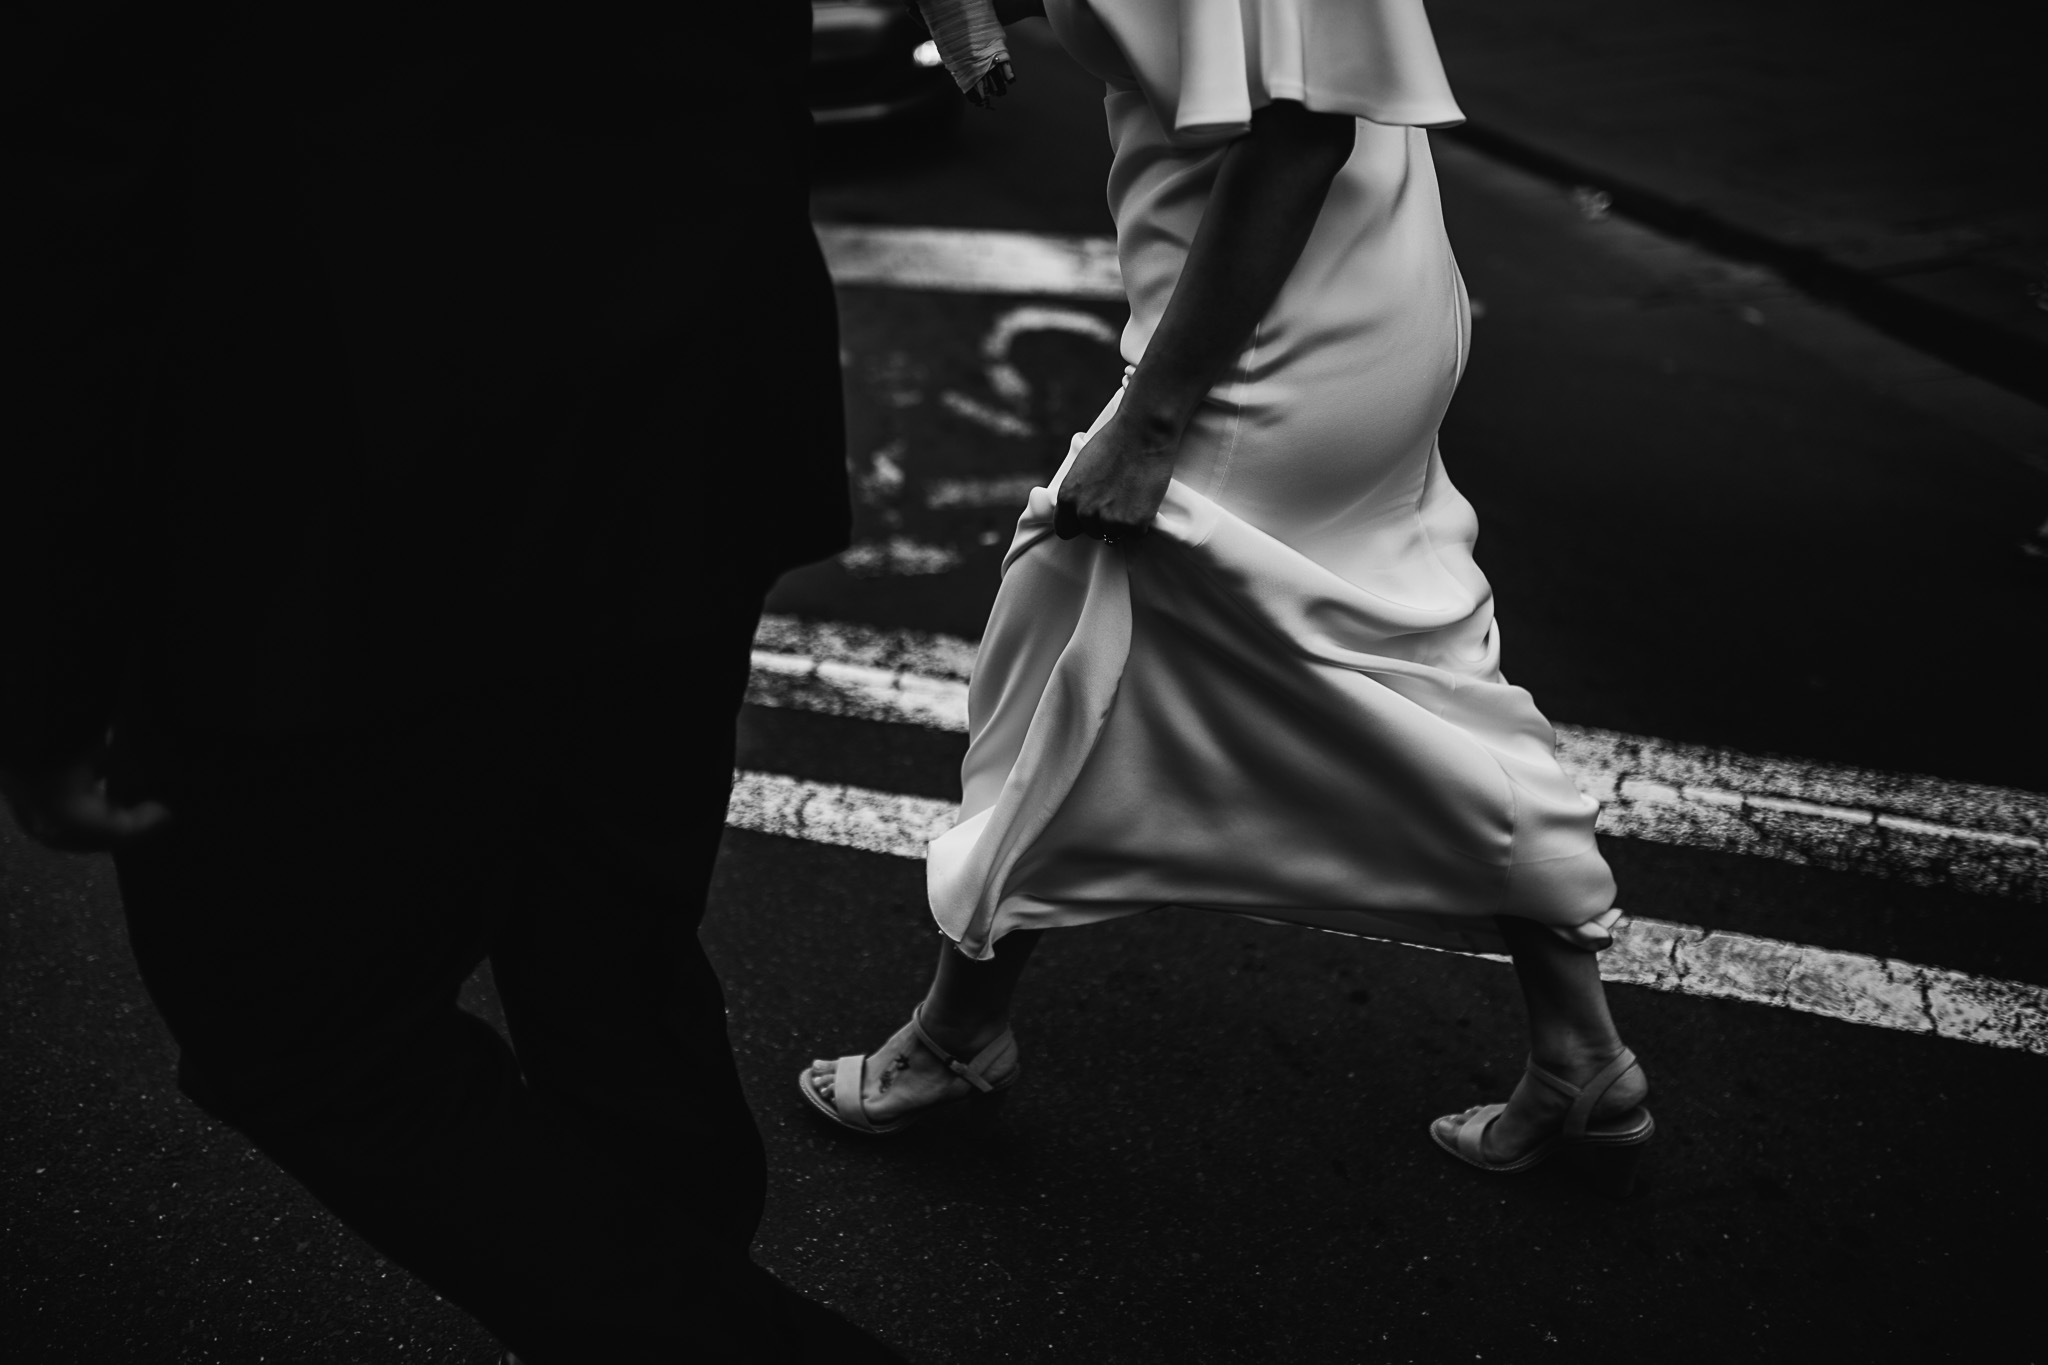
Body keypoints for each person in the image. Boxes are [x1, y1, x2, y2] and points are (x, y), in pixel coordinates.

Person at [2, 4, 903, 1359]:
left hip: (338, 486)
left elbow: (73, 208)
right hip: (685, 407)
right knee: (610, 947)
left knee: (295, 1027)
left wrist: (51, 660)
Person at [803, 0, 1655, 1195]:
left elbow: (1296, 129)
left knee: (1076, 641)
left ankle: (953, 1040)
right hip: (1364, 290)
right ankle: (1578, 1052)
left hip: (1267, 339)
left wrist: (1151, 422)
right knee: (1390, 656)